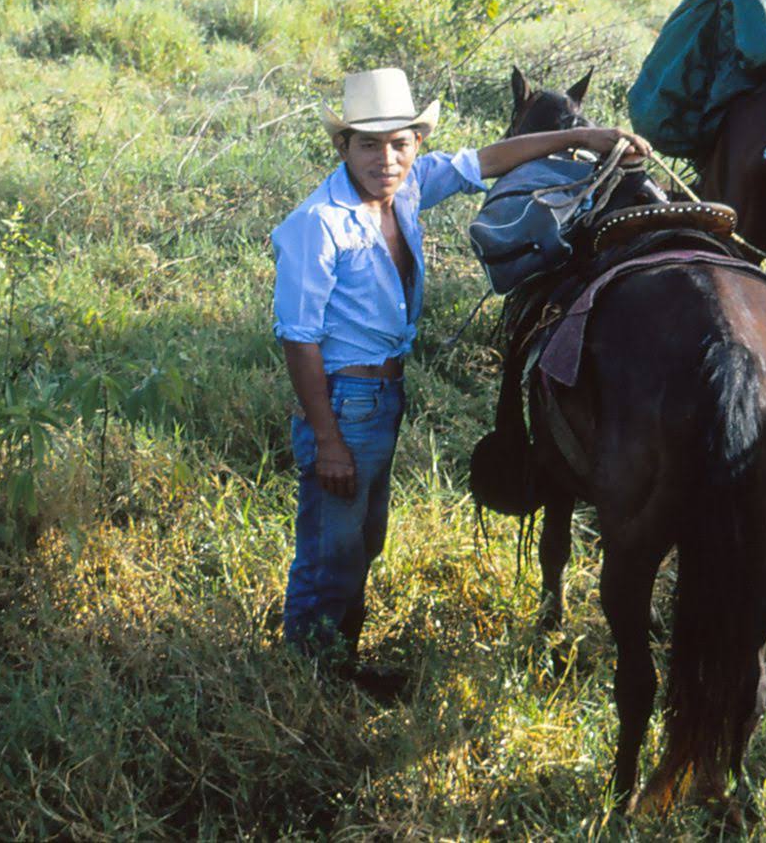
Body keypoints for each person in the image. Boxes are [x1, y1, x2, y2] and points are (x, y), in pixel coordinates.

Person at [271, 67, 648, 685]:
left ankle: (339, 659)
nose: (386, 159)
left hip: (382, 395)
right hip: (343, 401)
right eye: (369, 143)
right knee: (328, 548)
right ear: (342, 147)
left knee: (362, 539)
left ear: (416, 144)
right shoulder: (319, 225)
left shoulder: (409, 185)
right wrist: (329, 440)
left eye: (400, 143)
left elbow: (486, 160)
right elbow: (300, 339)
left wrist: (590, 138)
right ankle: (309, 679)